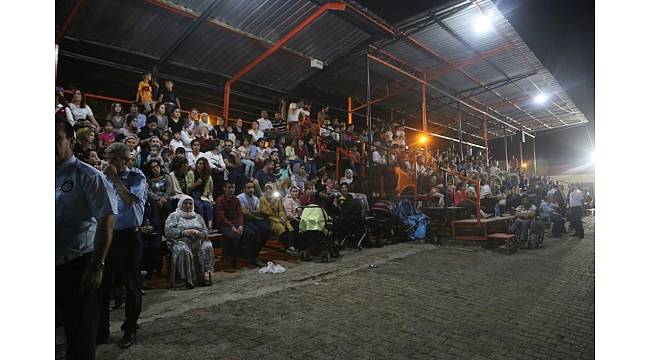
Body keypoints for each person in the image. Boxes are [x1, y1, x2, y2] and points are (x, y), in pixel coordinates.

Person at [56, 118, 117, 360]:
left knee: (79, 335)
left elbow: (106, 220)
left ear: (70, 142)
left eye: (55, 140)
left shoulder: (87, 175)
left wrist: (97, 266)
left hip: (77, 264)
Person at [98, 142, 147, 349]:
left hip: (128, 236)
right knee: (101, 285)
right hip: (108, 235)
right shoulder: (102, 177)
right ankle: (101, 330)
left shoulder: (137, 177)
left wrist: (115, 178)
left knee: (131, 285)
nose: (108, 163)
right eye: (106, 158)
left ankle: (130, 329)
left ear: (124, 160)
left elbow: (129, 200)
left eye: (112, 159)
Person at [164, 195, 214, 288]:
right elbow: (168, 231)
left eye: (190, 203)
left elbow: (206, 232)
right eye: (185, 203)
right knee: (184, 250)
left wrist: (199, 233)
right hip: (179, 241)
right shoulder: (174, 216)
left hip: (197, 241)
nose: (188, 206)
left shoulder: (198, 217)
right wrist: (183, 232)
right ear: (180, 204)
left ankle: (204, 276)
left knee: (207, 246)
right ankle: (187, 279)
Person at [237, 181, 271, 267]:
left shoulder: (255, 198)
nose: (251, 189)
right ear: (244, 189)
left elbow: (259, 211)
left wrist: (251, 212)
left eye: (252, 187)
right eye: (248, 188)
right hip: (245, 220)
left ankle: (256, 252)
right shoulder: (240, 198)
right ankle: (253, 256)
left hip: (254, 219)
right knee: (254, 232)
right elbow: (244, 212)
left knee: (267, 230)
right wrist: (254, 214)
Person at [215, 181, 246, 270]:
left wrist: (240, 225)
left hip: (235, 223)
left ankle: (241, 255)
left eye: (233, 187)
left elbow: (240, 214)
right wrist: (231, 226)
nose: (231, 190)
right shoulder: (220, 200)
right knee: (231, 236)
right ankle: (227, 257)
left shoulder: (236, 200)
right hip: (224, 225)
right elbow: (221, 217)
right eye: (229, 187)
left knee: (250, 233)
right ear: (224, 188)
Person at [260, 183, 298, 255]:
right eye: (267, 189)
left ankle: (291, 246)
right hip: (270, 219)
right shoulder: (262, 199)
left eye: (270, 188)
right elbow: (265, 212)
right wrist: (271, 203)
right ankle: (287, 247)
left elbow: (281, 210)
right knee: (280, 228)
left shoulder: (277, 199)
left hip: (279, 218)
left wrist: (282, 217)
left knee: (289, 226)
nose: (268, 190)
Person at [188, 157, 214, 230]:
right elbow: (188, 189)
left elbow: (210, 191)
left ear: (205, 166)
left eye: (201, 164)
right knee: (200, 206)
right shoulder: (191, 173)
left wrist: (211, 199)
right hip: (193, 194)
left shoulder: (208, 176)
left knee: (209, 206)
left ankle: (210, 226)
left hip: (203, 195)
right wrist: (196, 183)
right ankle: (202, 226)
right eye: (198, 164)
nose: (198, 165)